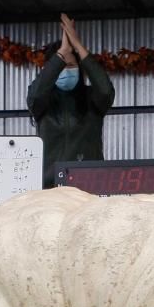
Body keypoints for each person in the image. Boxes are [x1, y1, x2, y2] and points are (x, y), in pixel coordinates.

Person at [27, 13, 115, 188]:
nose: (65, 71)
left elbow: (106, 90)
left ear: (80, 70)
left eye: (71, 66)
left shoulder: (92, 99)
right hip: (50, 188)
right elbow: (34, 96)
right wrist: (62, 54)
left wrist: (78, 46)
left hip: (89, 185)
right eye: (60, 67)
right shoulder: (43, 103)